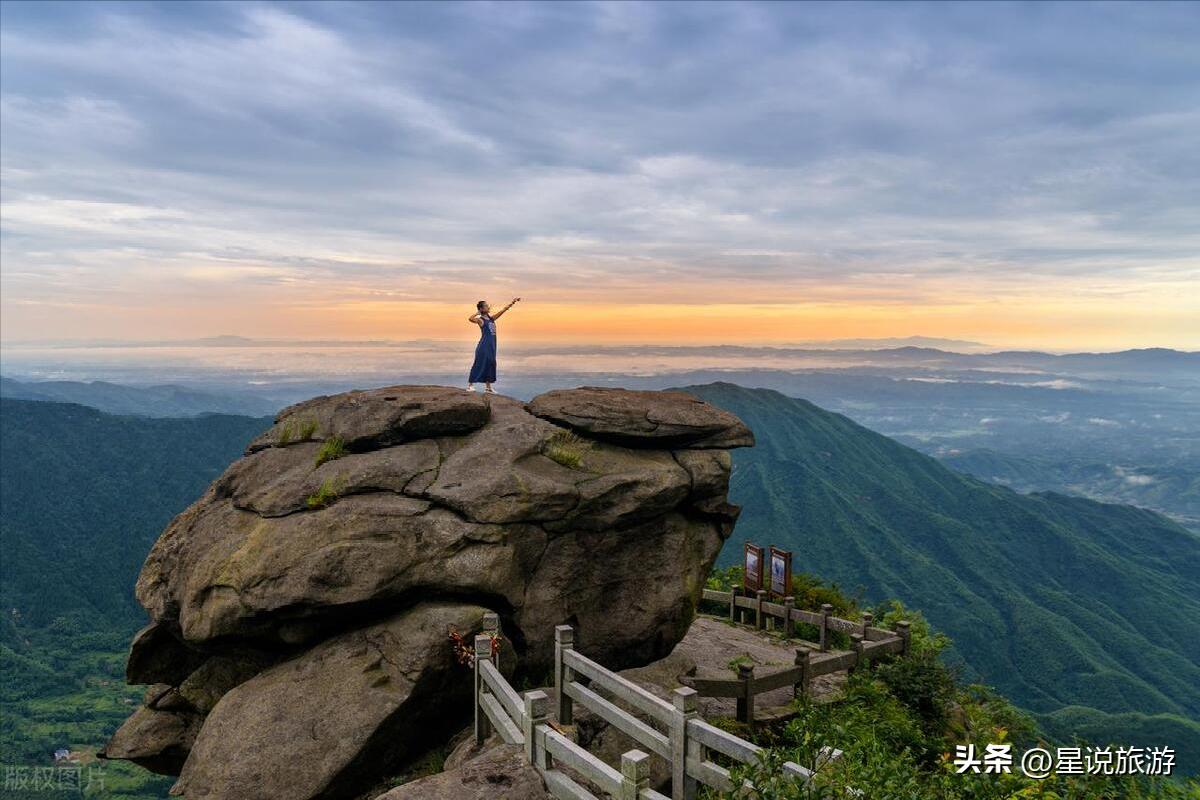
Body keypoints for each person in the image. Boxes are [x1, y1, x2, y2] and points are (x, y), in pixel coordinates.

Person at [467, 297, 519, 393]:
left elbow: (502, 311)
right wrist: (477, 313)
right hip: (484, 345)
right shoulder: (481, 320)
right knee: (479, 363)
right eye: (486, 306)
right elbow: (470, 319)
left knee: (490, 363)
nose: (488, 307)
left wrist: (512, 303)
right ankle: (470, 385)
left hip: (492, 346)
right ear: (481, 309)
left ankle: (488, 387)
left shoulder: (491, 319)